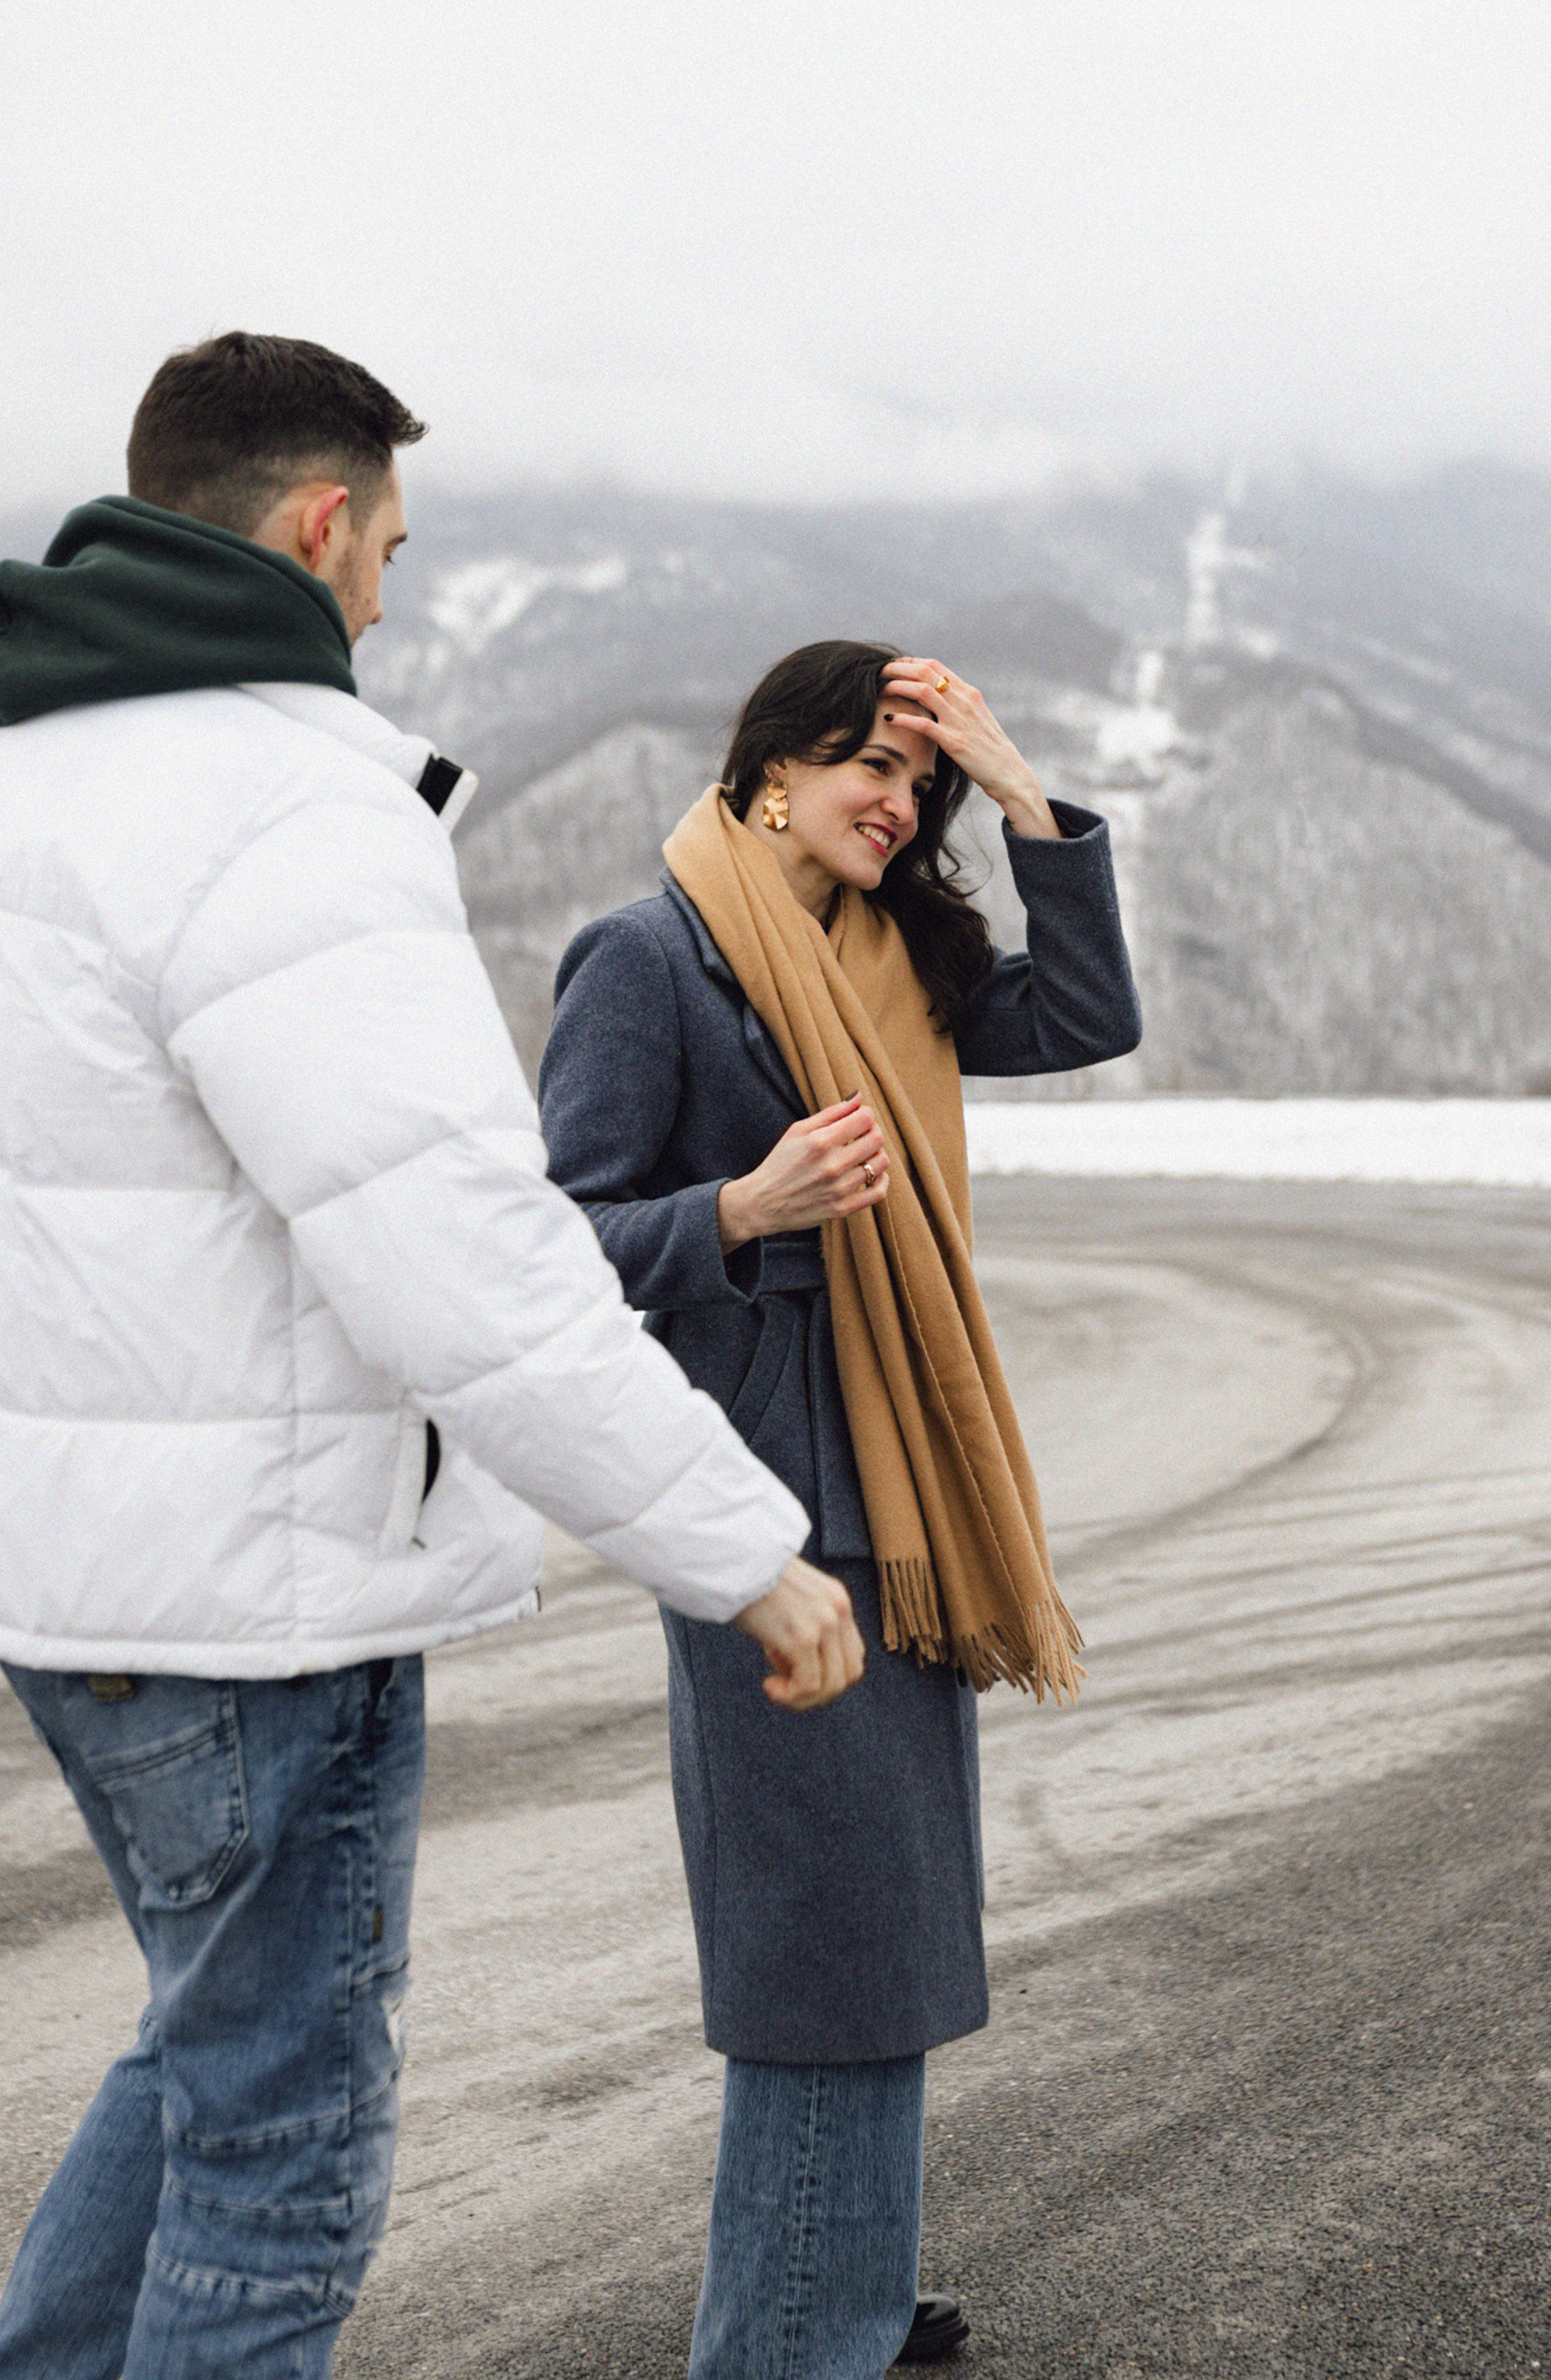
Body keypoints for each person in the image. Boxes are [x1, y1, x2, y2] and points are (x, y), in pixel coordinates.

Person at [0, 333, 863, 2380]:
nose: (387, 589)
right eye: (388, 544)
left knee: (213, 2045)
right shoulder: (287, 808)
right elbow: (461, 1253)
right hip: (252, 1599)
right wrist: (738, 1544)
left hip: (51, 1563)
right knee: (283, 2155)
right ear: (319, 526)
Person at [540, 640, 1143, 2375]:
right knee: (822, 1963)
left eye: (919, 782)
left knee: (885, 1950)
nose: (896, 801)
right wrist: (741, 1205)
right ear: (769, 771)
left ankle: (844, 2308)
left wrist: (1025, 800)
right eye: (866, 765)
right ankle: (792, 2340)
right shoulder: (649, 961)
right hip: (768, 1517)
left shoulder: (898, 960)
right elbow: (556, 1246)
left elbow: (1090, 1016)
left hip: (902, 1503)